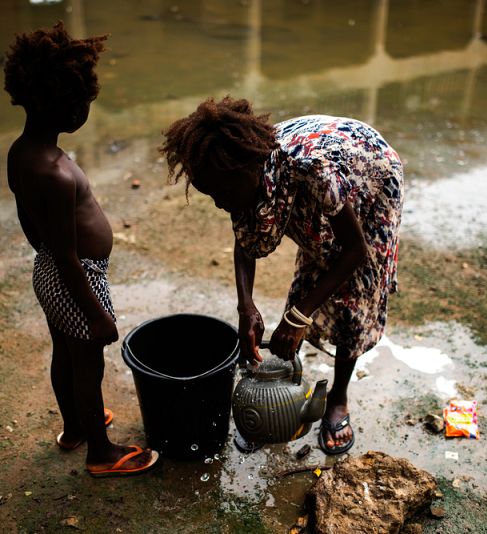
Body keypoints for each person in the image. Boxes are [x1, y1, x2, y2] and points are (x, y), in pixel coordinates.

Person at [160, 97, 403, 455]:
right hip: (315, 179)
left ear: (248, 171)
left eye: (220, 193)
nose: (217, 202)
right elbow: (244, 242)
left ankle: (337, 398)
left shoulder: (310, 169)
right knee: (309, 279)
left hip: (369, 177)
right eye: (209, 194)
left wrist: (299, 316)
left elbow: (355, 250)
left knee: (352, 297)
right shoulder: (233, 173)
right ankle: (279, 402)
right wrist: (247, 306)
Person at [3, 22, 158, 476]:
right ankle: (100, 452)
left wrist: (46, 253)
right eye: (85, 103)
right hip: (76, 276)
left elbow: (28, 220)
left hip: (50, 269)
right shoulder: (53, 171)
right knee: (87, 363)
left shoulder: (21, 152)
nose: (87, 110)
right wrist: (95, 313)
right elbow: (70, 258)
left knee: (64, 352)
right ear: (67, 107)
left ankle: (75, 427)